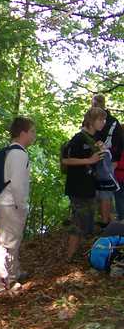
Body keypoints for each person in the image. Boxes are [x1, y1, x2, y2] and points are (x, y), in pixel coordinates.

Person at [0, 117, 36, 294]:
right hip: (11, 204)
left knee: (11, 242)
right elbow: (16, 184)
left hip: (6, 202)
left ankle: (14, 274)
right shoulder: (19, 154)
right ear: (23, 133)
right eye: (32, 132)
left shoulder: (12, 151)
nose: (34, 136)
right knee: (6, 245)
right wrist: (21, 205)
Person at [62, 108, 105, 261]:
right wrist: (89, 160)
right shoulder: (78, 138)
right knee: (78, 222)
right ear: (91, 121)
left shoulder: (94, 137)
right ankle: (70, 256)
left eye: (104, 119)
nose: (103, 122)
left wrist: (101, 150)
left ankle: (77, 253)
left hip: (89, 185)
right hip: (77, 187)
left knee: (86, 221)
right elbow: (65, 160)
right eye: (100, 120)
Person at [91, 94, 123, 225]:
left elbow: (119, 142)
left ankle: (106, 221)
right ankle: (102, 219)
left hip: (107, 160)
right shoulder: (89, 120)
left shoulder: (112, 122)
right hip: (92, 159)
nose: (94, 106)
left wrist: (114, 161)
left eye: (96, 104)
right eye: (93, 104)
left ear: (102, 104)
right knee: (96, 190)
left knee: (106, 191)